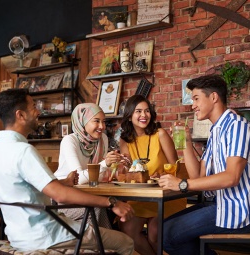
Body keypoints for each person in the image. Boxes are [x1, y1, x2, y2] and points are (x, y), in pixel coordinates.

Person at [0, 89, 134, 255]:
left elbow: (23, 188)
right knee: (126, 242)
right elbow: (59, 195)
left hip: (19, 236)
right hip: (49, 235)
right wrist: (111, 202)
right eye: (33, 107)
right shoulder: (24, 151)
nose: (38, 111)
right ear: (20, 115)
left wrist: (64, 182)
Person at [159, 74, 250, 255]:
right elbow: (198, 177)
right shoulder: (216, 131)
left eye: (196, 98)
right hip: (219, 204)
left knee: (167, 234)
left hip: (237, 210)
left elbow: (231, 177)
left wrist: (181, 184)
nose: (193, 105)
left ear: (214, 97)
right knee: (160, 228)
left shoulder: (237, 126)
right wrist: (186, 140)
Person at [119, 95, 187, 255]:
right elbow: (128, 171)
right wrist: (120, 166)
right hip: (141, 198)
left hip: (167, 196)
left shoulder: (160, 134)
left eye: (147, 111)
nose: (144, 115)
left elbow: (175, 166)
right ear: (129, 115)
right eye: (138, 111)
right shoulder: (125, 141)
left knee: (154, 232)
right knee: (127, 228)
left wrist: (162, 173)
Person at [55, 103, 122, 228]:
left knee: (117, 205)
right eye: (96, 121)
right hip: (63, 199)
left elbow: (100, 177)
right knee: (100, 207)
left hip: (88, 194)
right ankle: (97, 244)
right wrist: (105, 163)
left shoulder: (102, 139)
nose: (102, 126)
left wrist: (115, 167)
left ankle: (103, 244)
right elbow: (78, 179)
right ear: (82, 121)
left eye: (103, 122)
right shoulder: (69, 141)